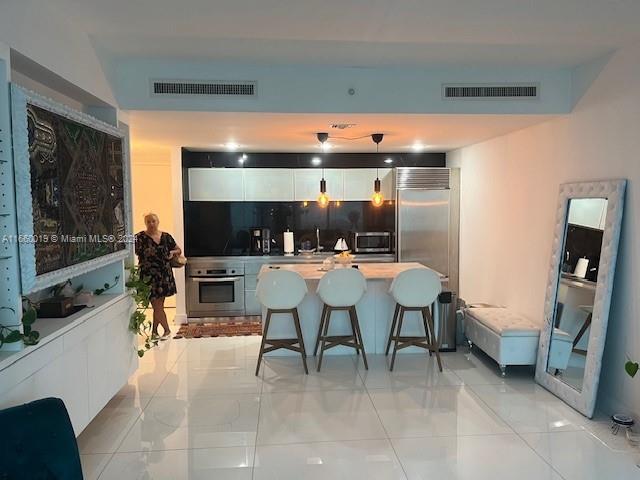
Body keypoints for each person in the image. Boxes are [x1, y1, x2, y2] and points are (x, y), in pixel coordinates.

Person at [135, 213, 181, 339]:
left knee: (159, 305)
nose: (151, 223)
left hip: (164, 275)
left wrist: (172, 252)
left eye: (153, 221)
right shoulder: (139, 237)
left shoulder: (166, 236)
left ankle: (154, 332)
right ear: (145, 223)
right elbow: (132, 251)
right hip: (149, 276)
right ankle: (167, 330)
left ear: (158, 221)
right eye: (148, 221)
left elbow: (178, 249)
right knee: (156, 304)